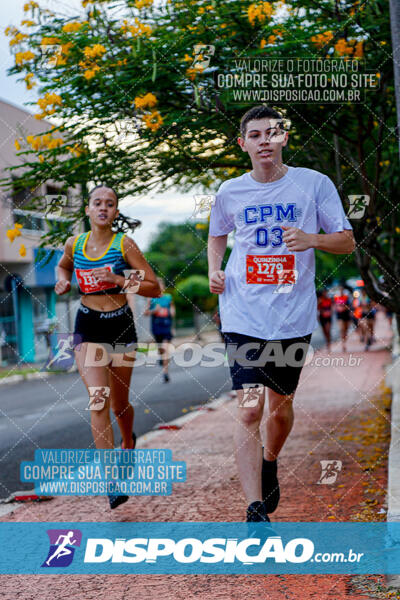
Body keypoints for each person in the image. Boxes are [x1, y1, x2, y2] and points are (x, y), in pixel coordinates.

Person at [207, 105, 355, 523]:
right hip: (241, 314)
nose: (265, 141)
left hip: (292, 315)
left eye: (272, 133)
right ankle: (255, 508)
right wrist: (214, 271)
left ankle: (270, 459)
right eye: (255, 135)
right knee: (250, 407)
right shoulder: (229, 191)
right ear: (243, 144)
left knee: (280, 407)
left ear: (284, 137)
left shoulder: (313, 184)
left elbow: (346, 242)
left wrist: (311, 239)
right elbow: (217, 235)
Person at [55, 185, 160, 509]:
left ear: (116, 212)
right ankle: (111, 481)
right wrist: (63, 280)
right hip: (87, 324)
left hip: (120, 324)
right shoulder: (76, 243)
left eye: (110, 204)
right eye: (97, 203)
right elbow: (63, 266)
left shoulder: (123, 244)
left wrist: (118, 280)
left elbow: (154, 287)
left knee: (119, 404)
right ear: (87, 209)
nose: (103, 208)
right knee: (97, 399)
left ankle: (129, 439)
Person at [145, 278, 175, 383]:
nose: (160, 287)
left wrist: (172, 312)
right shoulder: (151, 299)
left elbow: (172, 309)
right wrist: (155, 310)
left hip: (166, 325)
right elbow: (146, 313)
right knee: (161, 350)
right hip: (156, 327)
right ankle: (162, 359)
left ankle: (165, 373)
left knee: (165, 348)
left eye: (161, 285)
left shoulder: (168, 298)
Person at [333, 285, 351, 352]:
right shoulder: (336, 297)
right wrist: (337, 308)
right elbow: (334, 305)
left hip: (346, 314)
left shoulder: (346, 297)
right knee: (341, 328)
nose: (341, 291)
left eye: (342, 289)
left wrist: (343, 308)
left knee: (346, 329)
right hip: (339, 315)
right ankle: (343, 344)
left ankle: (344, 340)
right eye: (340, 289)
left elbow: (349, 306)